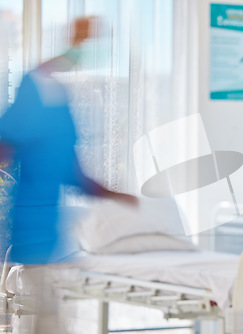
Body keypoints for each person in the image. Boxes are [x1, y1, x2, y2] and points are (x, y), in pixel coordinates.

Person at [0, 17, 137, 333]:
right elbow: (7, 140)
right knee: (50, 320)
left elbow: (72, 173)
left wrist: (120, 196)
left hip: (53, 235)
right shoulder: (36, 89)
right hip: (33, 229)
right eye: (88, 41)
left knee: (52, 319)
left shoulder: (58, 99)